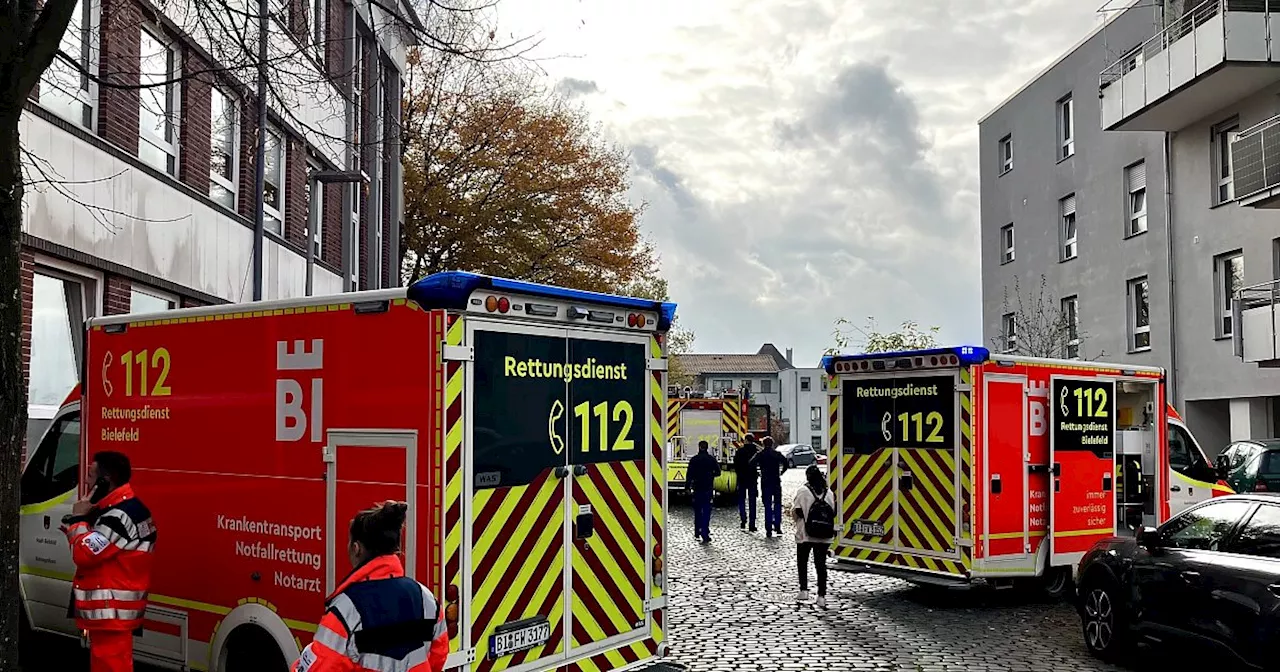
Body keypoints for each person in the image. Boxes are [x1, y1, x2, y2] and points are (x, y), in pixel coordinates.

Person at [294, 501, 448, 672]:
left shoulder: (346, 611)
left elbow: (321, 668)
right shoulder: (426, 598)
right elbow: (438, 656)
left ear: (356, 548)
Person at [62, 451, 157, 672]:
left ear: (105, 481)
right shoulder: (130, 510)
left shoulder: (118, 517)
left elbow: (84, 554)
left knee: (110, 666)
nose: (86, 481)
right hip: (116, 612)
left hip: (110, 612)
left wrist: (77, 521)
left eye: (90, 475)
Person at [793, 464, 836, 607]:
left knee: (802, 562)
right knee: (820, 565)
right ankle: (821, 596)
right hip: (824, 535)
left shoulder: (803, 491)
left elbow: (797, 512)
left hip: (806, 534)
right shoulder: (829, 493)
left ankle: (804, 590)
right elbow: (833, 512)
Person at [752, 437, 788, 537]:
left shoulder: (761, 454)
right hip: (776, 481)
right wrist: (781, 472)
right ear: (772, 444)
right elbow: (786, 463)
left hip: (765, 481)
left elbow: (751, 463)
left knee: (767, 505)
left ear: (763, 444)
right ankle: (777, 525)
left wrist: (758, 472)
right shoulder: (777, 454)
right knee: (777, 504)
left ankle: (768, 528)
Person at [686, 440, 721, 543]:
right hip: (708, 488)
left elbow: (689, 474)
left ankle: (697, 531)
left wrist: (687, 487)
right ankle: (705, 532)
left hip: (697, 488)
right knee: (706, 511)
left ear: (699, 447)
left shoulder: (694, 460)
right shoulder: (711, 459)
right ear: (707, 447)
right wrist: (710, 475)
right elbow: (718, 472)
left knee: (697, 511)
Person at [734, 434, 760, 531]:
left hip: (742, 478)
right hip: (752, 478)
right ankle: (752, 524)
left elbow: (735, 464)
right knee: (752, 501)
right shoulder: (755, 452)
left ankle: (743, 519)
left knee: (741, 499)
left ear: (745, 440)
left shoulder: (740, 451)